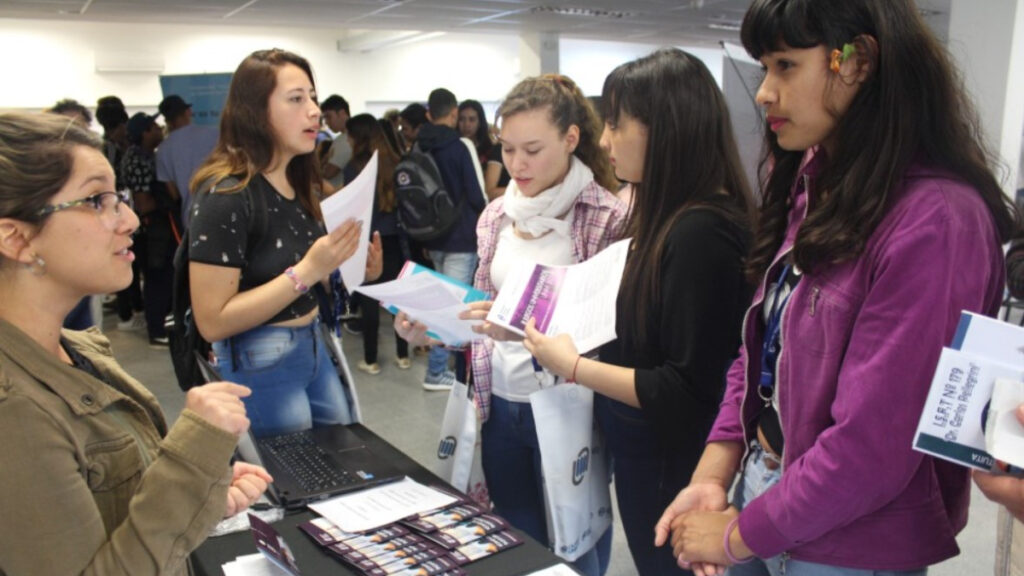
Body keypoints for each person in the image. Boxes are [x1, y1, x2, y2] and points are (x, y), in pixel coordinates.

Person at [655, 1, 1019, 575]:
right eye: (763, 68)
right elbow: (761, 350)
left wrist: (736, 537)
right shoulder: (817, 180)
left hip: (851, 535)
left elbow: (873, 448)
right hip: (765, 487)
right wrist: (714, 473)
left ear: (858, 62)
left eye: (785, 66)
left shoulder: (935, 219)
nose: (764, 93)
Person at [0, 111, 270, 575]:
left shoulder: (75, 351)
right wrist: (192, 455)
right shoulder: (16, 409)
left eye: (118, 197)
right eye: (96, 200)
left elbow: (113, 512)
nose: (128, 220)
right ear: (16, 238)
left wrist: (197, 492)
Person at [522, 50, 755, 575]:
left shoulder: (700, 232)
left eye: (616, 124)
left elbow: (685, 387)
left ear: (665, 131)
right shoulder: (661, 213)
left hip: (671, 459)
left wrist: (574, 367)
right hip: (643, 449)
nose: (605, 140)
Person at [398, 73, 626, 576]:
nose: (516, 165)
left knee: (577, 543)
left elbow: (611, 331)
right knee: (518, 542)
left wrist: (519, 327)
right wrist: (431, 326)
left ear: (571, 139)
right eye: (507, 148)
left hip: (569, 408)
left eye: (533, 149)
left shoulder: (606, 216)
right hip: (498, 402)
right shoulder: (496, 216)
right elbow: (482, 309)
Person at [188, 49, 382, 438]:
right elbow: (212, 321)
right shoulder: (227, 195)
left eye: (313, 97)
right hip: (261, 357)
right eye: (296, 99)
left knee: (342, 458)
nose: (314, 111)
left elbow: (309, 277)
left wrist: (351, 269)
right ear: (256, 112)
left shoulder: (299, 184)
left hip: (315, 344)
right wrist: (310, 269)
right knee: (294, 480)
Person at [415, 88, 487, 391]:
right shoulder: (460, 145)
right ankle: (436, 372)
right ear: (454, 113)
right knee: (454, 306)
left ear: (430, 113)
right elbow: (476, 192)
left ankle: (442, 366)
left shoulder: (420, 146)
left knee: (441, 301)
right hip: (460, 236)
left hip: (432, 237)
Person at [342, 113, 411, 374]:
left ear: (357, 137)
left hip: (367, 240)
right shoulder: (394, 162)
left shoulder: (355, 167)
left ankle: (371, 360)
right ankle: (403, 355)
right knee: (397, 298)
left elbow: (351, 208)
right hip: (395, 238)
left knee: (369, 300)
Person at [122, 112, 176, 348]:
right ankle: (156, 330)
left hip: (155, 228)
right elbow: (143, 203)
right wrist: (170, 199)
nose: (159, 129)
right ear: (145, 132)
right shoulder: (137, 160)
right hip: (151, 229)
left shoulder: (144, 156)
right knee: (157, 277)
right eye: (154, 126)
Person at [156, 94, 219, 226]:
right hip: (223, 207)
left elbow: (173, 193)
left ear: (167, 121)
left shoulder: (162, 150)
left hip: (191, 216)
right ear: (188, 112)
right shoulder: (215, 135)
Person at [320, 94, 352, 190]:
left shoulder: (344, 140)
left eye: (329, 117)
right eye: (325, 118)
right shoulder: (342, 139)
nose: (326, 122)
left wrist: (322, 162)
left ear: (342, 113)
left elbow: (328, 173)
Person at [458, 99, 493, 167]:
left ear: (480, 122)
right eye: (461, 119)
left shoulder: (489, 150)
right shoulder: (452, 149)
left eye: (472, 119)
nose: (466, 124)